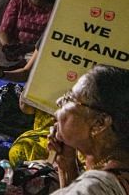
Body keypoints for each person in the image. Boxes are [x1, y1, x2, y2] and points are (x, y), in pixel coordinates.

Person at [49, 65, 129, 194]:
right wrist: (67, 165)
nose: (59, 101)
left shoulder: (93, 188)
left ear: (99, 123)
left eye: (69, 98)